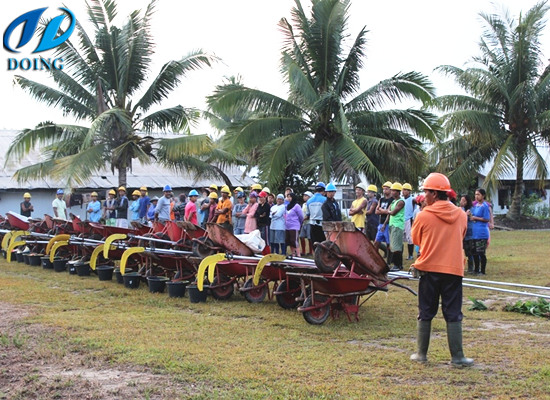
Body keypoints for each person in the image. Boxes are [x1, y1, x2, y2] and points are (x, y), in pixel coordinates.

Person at [410, 172, 473, 367]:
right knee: (453, 311)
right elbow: (460, 236)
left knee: (426, 310)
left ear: (435, 194)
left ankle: (421, 354)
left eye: (426, 192)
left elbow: (416, 240)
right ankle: (458, 357)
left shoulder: (424, 215)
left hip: (429, 269)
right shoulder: (461, 214)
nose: (424, 197)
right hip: (453, 269)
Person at [382, 183, 405, 271]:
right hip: (392, 225)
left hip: (397, 225)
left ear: (398, 192)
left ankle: (396, 265)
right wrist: (384, 224)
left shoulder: (401, 202)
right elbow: (389, 213)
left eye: (393, 190)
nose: (391, 192)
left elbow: (392, 212)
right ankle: (399, 265)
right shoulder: (393, 201)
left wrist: (386, 211)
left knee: (396, 246)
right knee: (394, 246)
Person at [468, 188, 490, 275]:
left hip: (481, 232)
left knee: (481, 252)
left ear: (483, 196)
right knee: (474, 252)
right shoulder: (476, 206)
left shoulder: (485, 206)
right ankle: (476, 269)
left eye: (478, 194)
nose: (476, 196)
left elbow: (486, 219)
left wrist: (475, 218)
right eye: (476, 194)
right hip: (474, 232)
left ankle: (483, 270)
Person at [374, 181, 394, 260]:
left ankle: (389, 260)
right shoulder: (381, 199)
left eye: (386, 189)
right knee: (376, 242)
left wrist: (381, 210)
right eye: (384, 189)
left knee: (389, 243)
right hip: (381, 223)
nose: (384, 191)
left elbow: (389, 212)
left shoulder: (392, 200)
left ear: (390, 190)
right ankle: (375, 258)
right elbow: (376, 211)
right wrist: (384, 211)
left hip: (388, 223)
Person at [460, 194, 475, 274]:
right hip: (462, 233)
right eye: (461, 200)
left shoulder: (471, 210)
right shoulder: (460, 209)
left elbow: (472, 219)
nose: (461, 202)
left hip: (469, 233)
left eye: (464, 201)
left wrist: (467, 215)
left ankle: (471, 268)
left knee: (469, 252)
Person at [286, 192, 304, 257]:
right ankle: (293, 253)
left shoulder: (297, 206)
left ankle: (298, 254)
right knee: (290, 241)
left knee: (294, 241)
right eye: (288, 197)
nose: (289, 198)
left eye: (290, 197)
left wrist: (299, 223)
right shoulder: (288, 206)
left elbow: (301, 216)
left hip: (294, 226)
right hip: (287, 226)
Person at [402, 183, 415, 260]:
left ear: (409, 191)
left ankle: (410, 255)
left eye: (406, 190)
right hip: (402, 219)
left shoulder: (412, 199)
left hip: (409, 219)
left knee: (410, 238)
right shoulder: (401, 199)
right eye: (403, 190)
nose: (403, 191)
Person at [299, 191, 313, 256]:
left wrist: (306, 218)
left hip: (309, 222)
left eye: (306, 196)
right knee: (301, 236)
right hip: (304, 222)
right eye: (304, 196)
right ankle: (303, 251)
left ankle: (311, 251)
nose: (304, 197)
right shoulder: (304, 204)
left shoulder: (311, 204)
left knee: (309, 238)